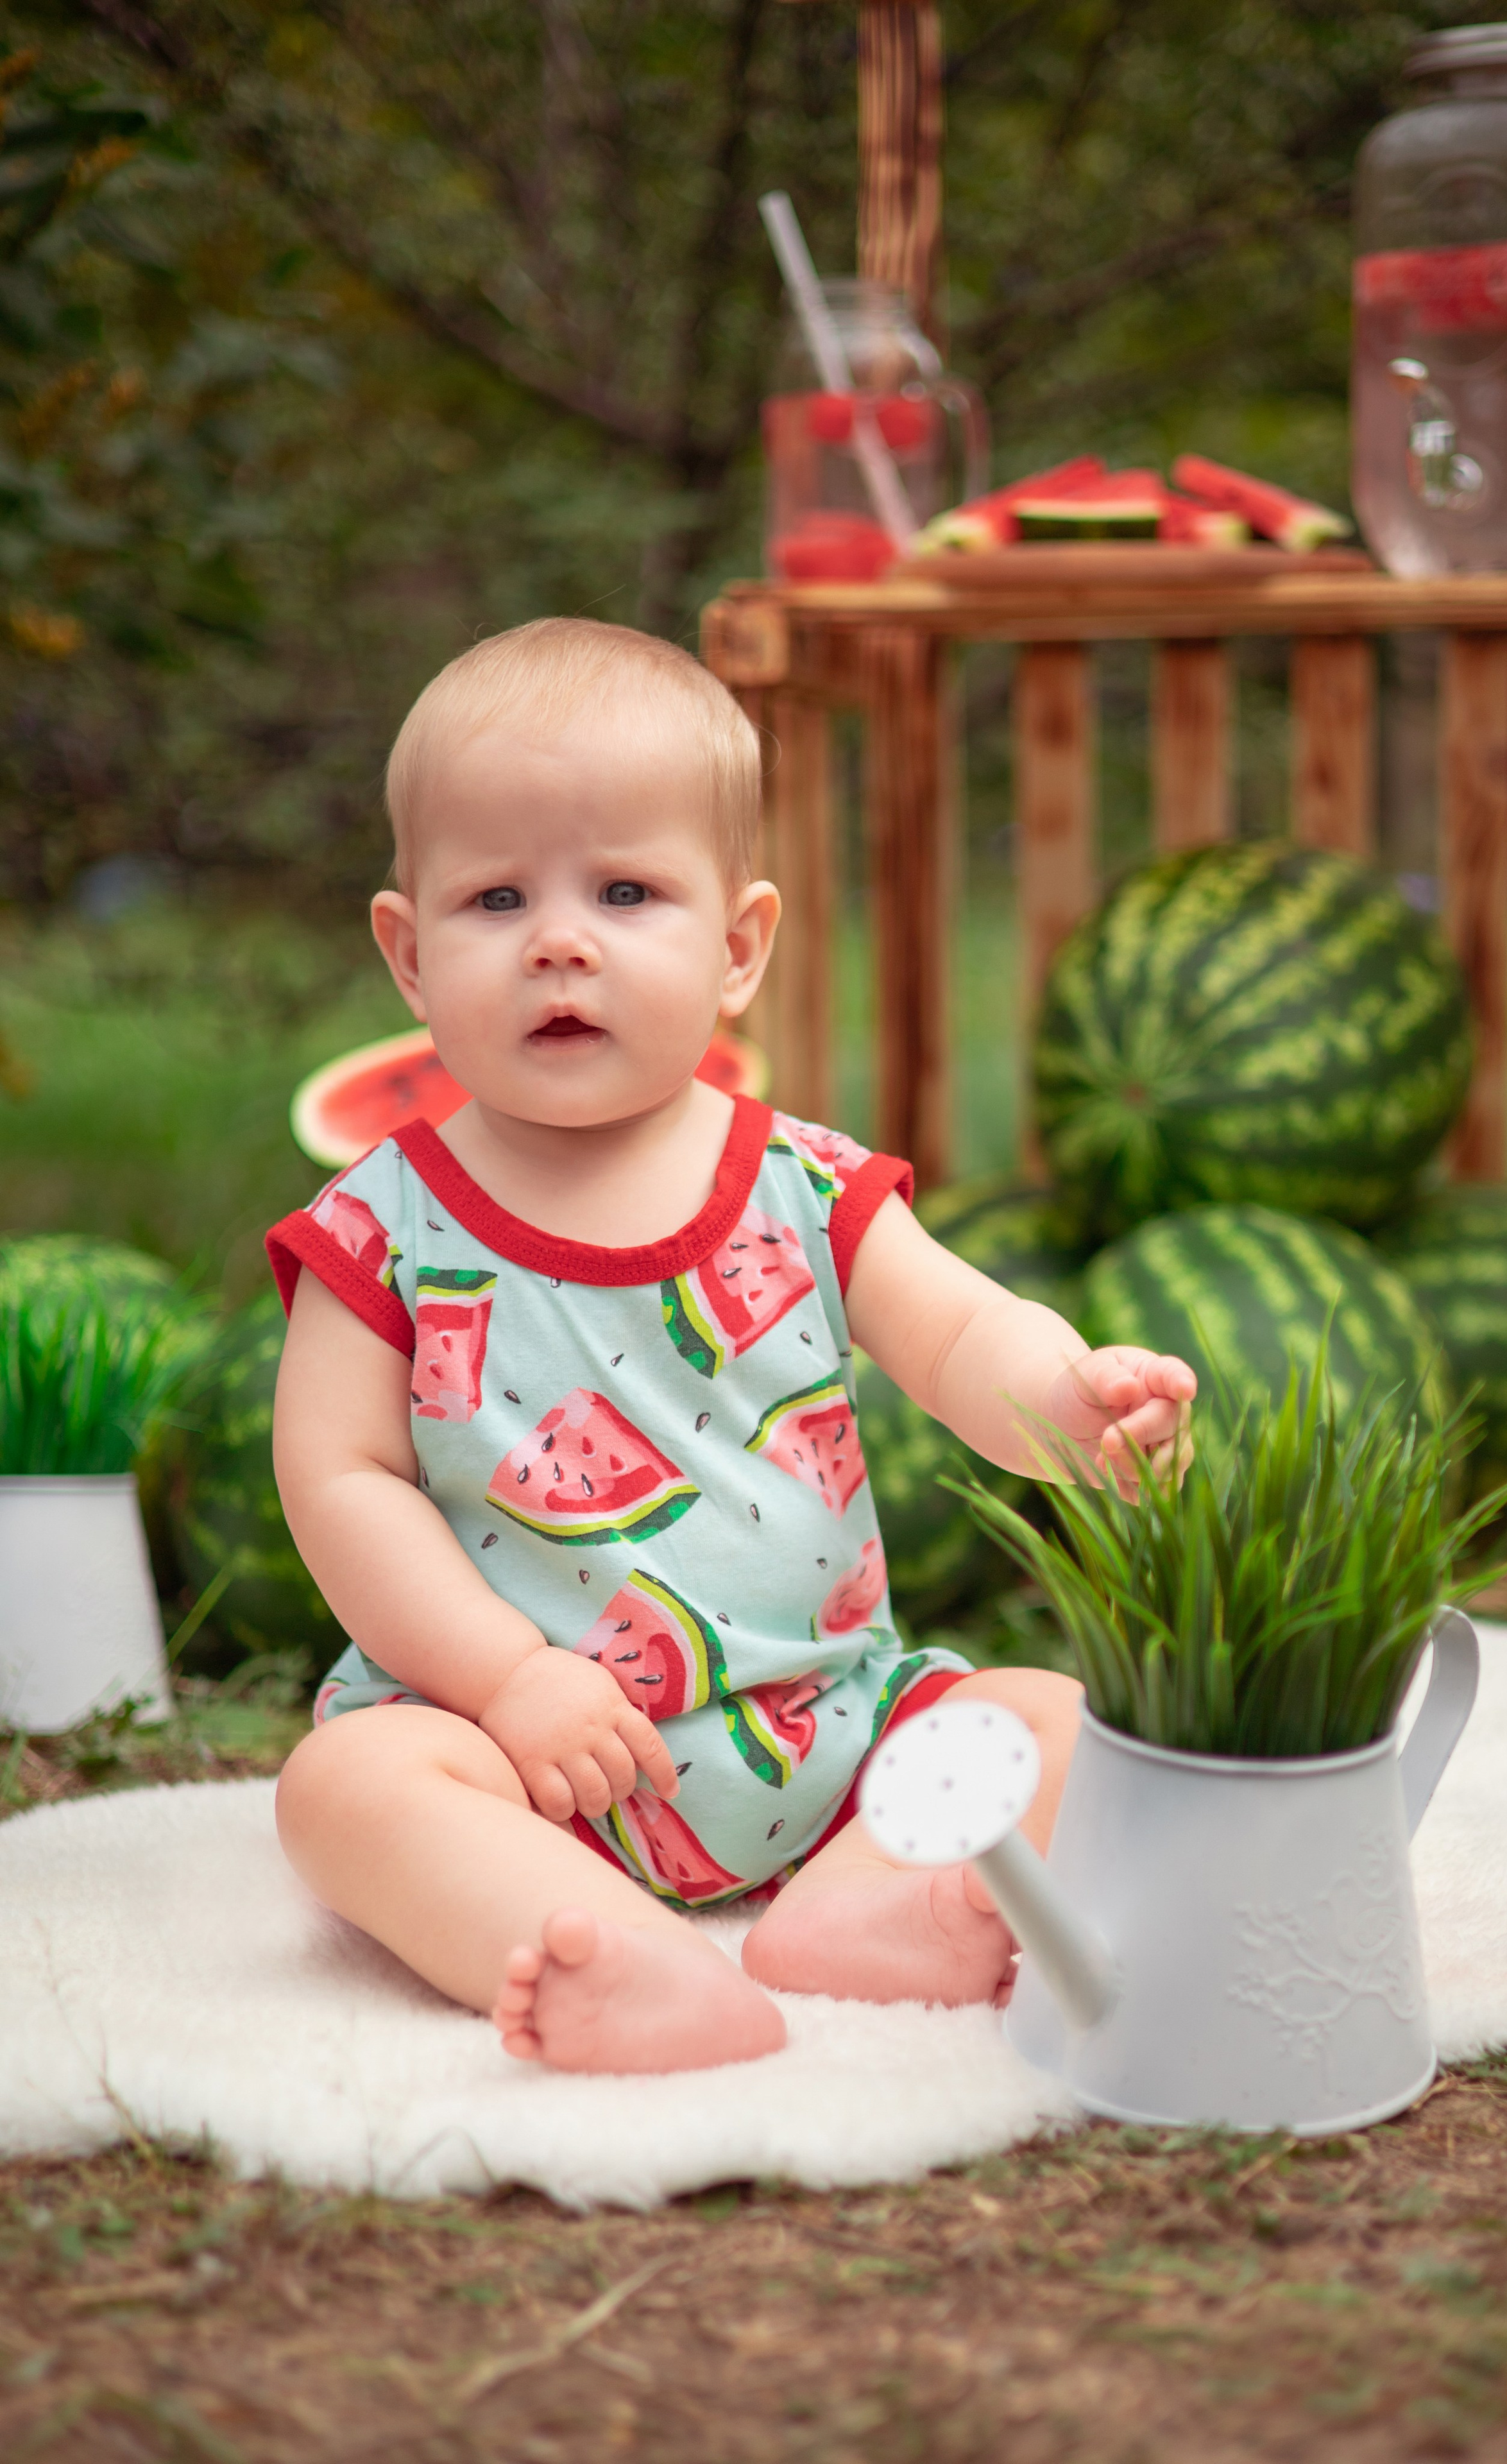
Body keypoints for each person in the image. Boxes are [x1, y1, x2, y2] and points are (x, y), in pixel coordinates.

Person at [268, 617, 1195, 2077]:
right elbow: (340, 1480)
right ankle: (595, 1946)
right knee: (345, 1791)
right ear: (409, 956)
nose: (559, 940)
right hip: (516, 1747)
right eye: (496, 898)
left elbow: (961, 1333)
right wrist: (504, 1679)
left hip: (830, 1725)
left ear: (738, 948)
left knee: (1048, 1718)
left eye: (625, 892)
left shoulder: (804, 1186)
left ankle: (867, 1908)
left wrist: (1069, 1407)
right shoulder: (380, 1226)